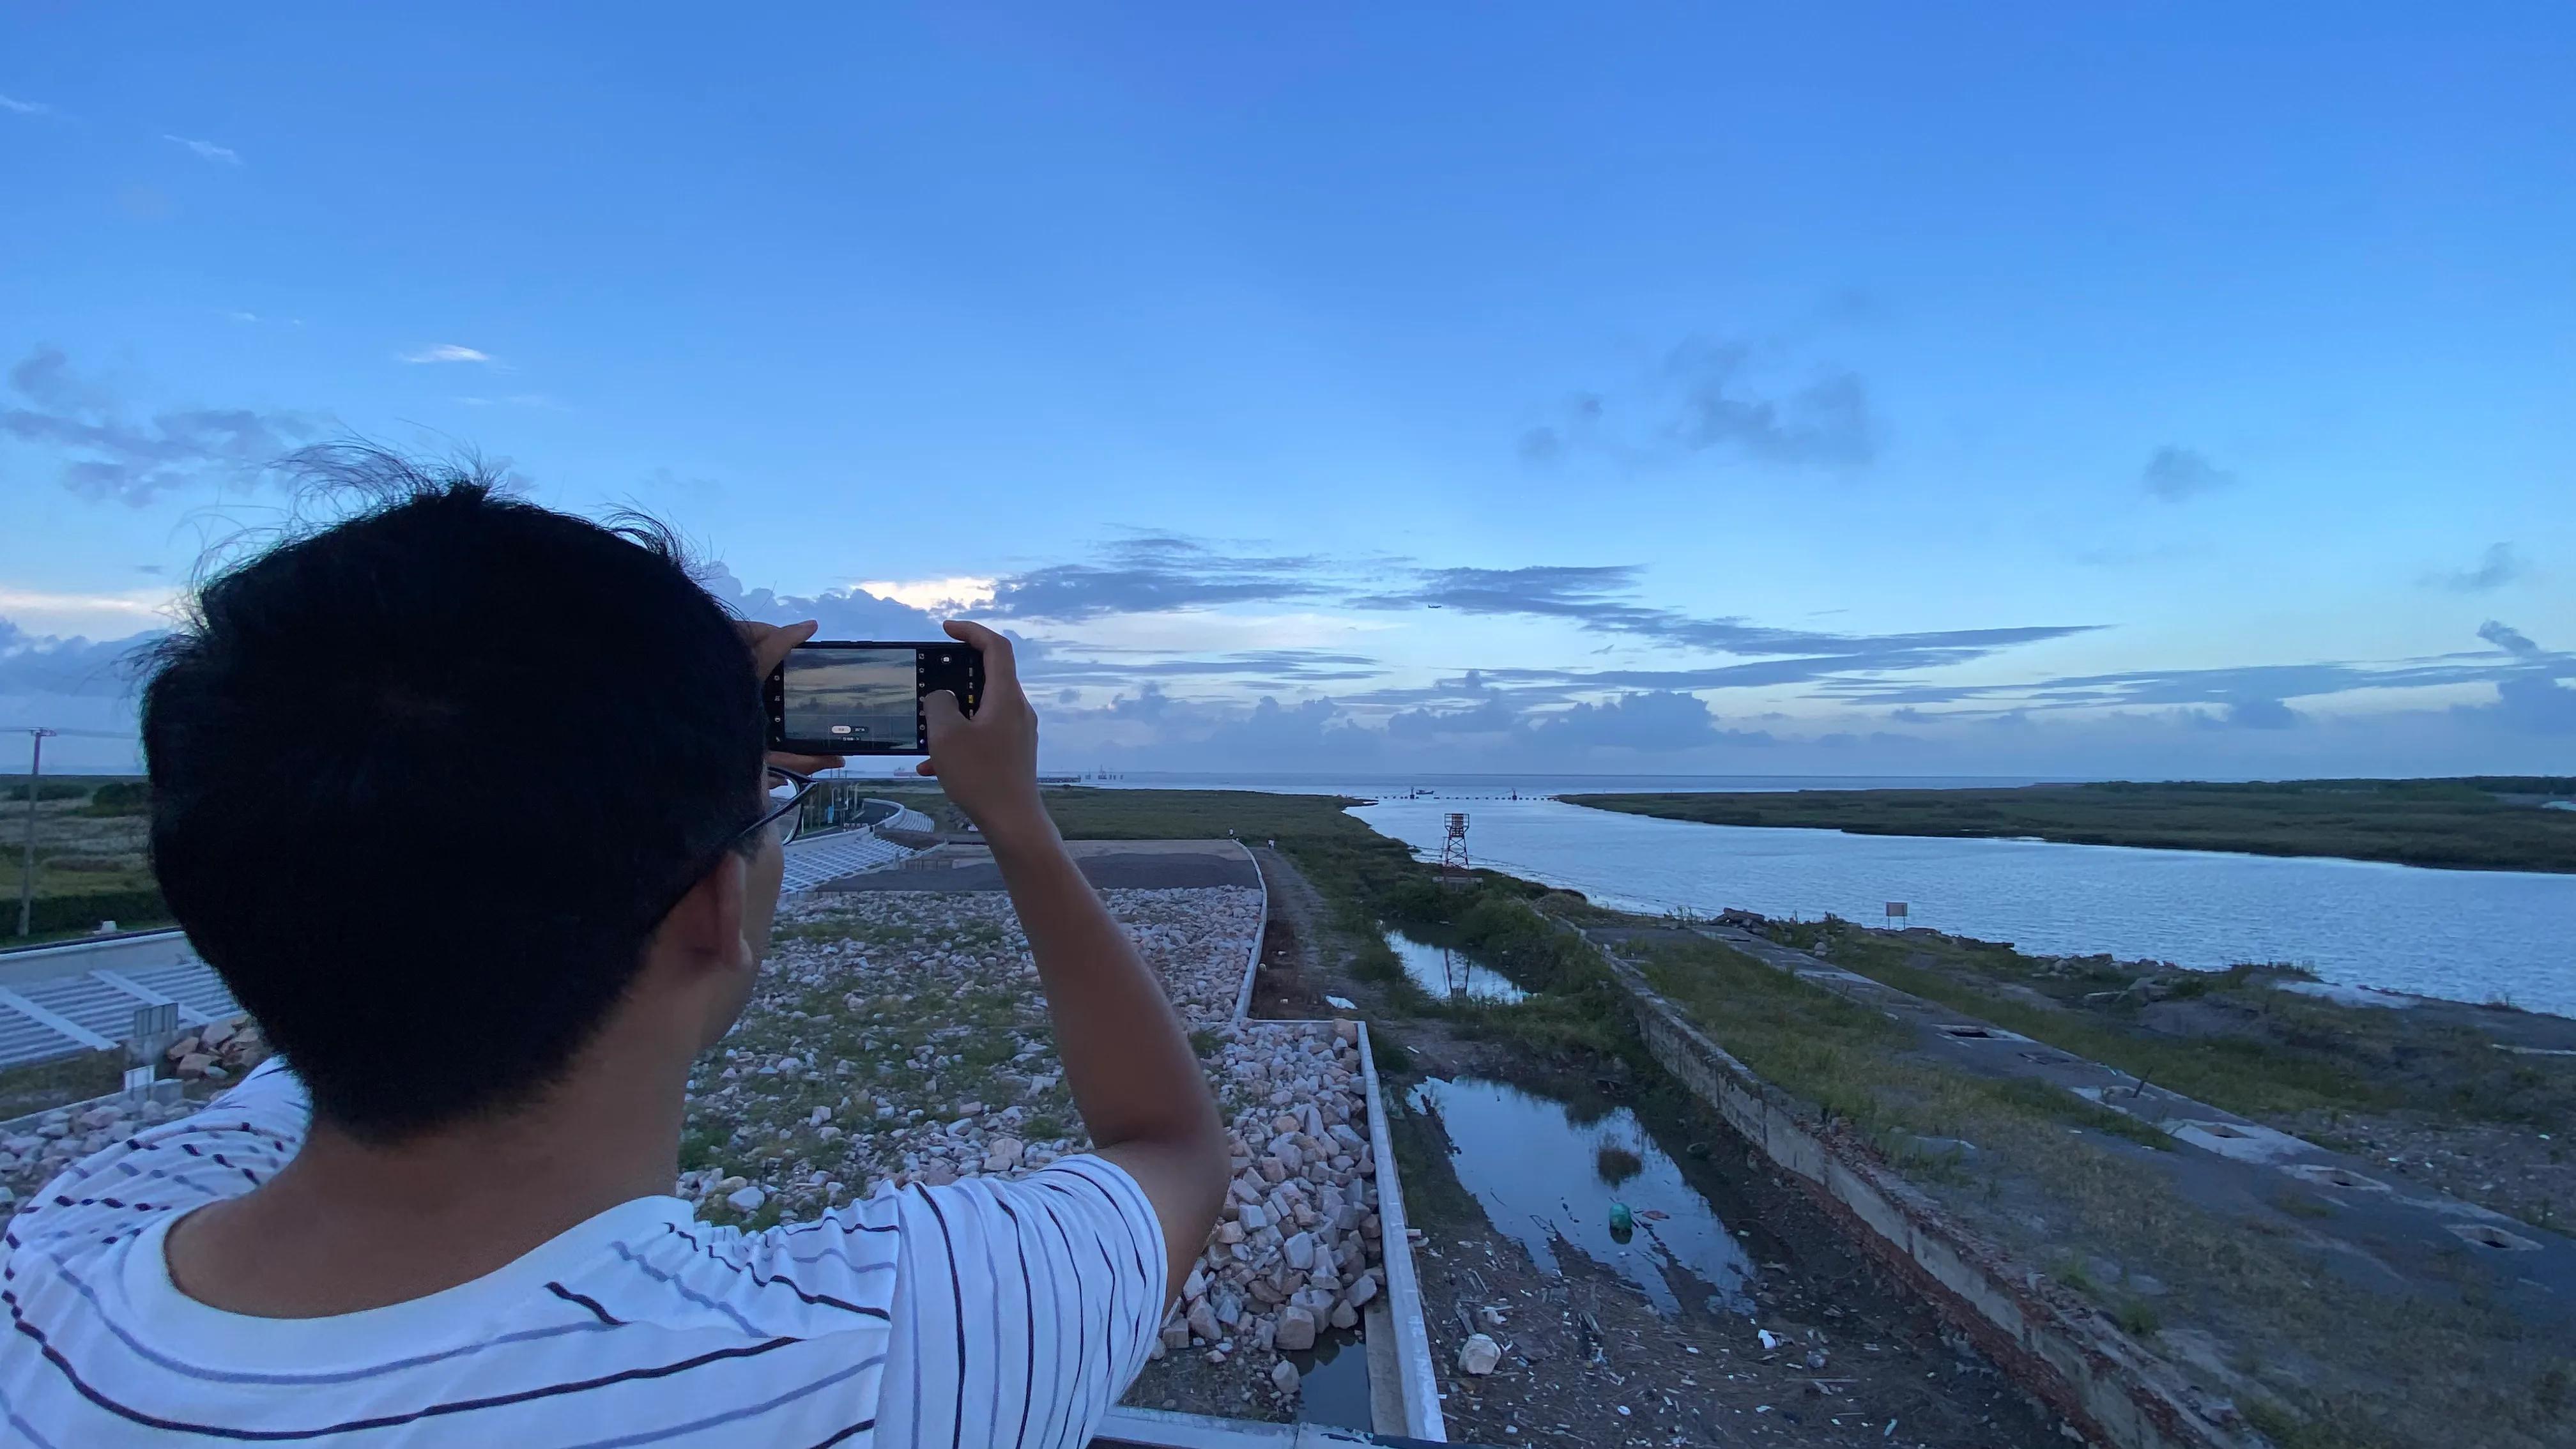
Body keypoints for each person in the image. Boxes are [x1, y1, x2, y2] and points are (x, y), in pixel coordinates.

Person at [0, 452, 1228, 1446]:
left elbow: (378, 919)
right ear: (714, 912)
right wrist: (1014, 818)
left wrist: (680, 761)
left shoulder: (62, 1253)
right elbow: (1172, 1151)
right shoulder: (874, 1360)